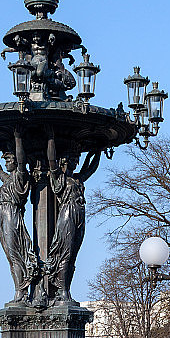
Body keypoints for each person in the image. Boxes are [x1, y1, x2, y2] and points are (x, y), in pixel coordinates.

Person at [45, 129, 100, 303]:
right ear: (64, 160)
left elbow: (90, 168)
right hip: (67, 215)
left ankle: (66, 288)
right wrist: (51, 138)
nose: (74, 161)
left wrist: (98, 150)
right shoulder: (59, 178)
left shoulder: (77, 179)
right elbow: (51, 161)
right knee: (65, 253)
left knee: (73, 254)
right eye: (71, 158)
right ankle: (61, 290)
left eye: (76, 159)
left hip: (79, 216)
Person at [0, 127, 41, 303]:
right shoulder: (8, 179)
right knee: (10, 256)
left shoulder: (20, 175)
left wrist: (18, 138)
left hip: (12, 215)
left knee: (15, 254)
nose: (7, 162)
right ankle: (19, 290)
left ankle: (22, 292)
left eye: (9, 158)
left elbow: (20, 160)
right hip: (3, 215)